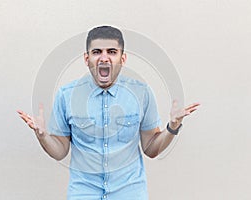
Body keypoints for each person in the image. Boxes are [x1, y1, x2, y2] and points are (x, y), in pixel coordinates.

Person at [17, 25, 200, 200]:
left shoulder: (141, 93)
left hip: (129, 192)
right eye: (97, 52)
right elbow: (60, 151)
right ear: (86, 58)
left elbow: (151, 148)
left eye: (112, 52)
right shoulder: (66, 96)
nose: (104, 58)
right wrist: (42, 135)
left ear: (123, 58)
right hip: (83, 192)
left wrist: (172, 127)